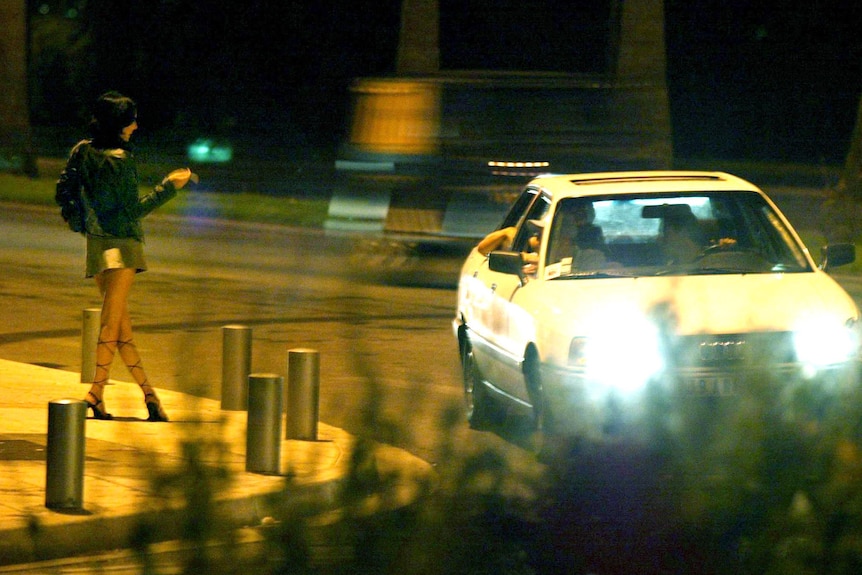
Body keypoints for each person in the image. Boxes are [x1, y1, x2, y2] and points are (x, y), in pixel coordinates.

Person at [55, 91, 196, 421]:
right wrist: (170, 187)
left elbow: (67, 191)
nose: (135, 125)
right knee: (110, 323)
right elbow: (133, 211)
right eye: (131, 120)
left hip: (97, 244)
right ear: (120, 125)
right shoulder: (121, 160)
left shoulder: (83, 151)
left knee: (119, 328)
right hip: (123, 247)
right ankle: (95, 392)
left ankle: (149, 397)